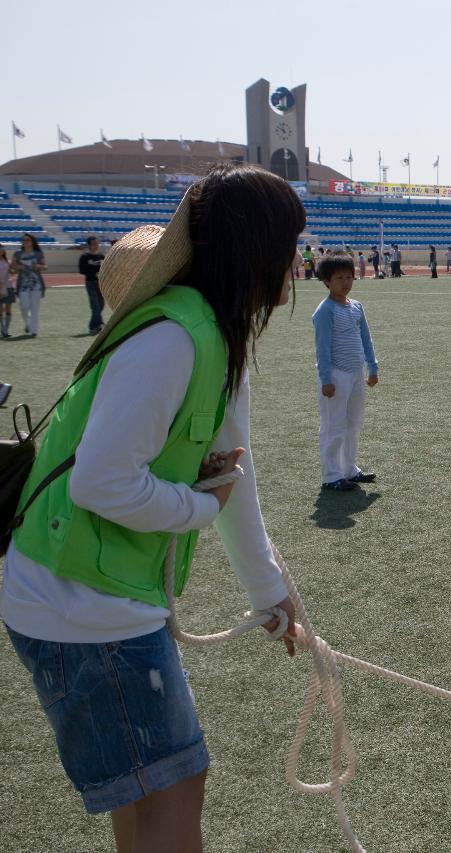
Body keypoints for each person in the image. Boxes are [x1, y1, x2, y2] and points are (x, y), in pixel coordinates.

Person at [3, 164, 304, 853]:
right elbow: (103, 483)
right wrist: (197, 506)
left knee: (149, 789)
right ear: (257, 247)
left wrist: (269, 590)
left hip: (84, 592)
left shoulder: (211, 335)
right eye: (290, 242)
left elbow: (233, 474)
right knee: (173, 785)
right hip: (81, 601)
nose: (299, 261)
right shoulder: (175, 338)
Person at [313, 251, 380, 491]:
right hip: (336, 376)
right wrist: (326, 379)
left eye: (349, 277)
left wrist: (372, 367)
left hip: (355, 374)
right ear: (327, 282)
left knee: (353, 423)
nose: (345, 282)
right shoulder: (324, 311)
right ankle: (331, 476)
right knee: (333, 425)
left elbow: (366, 339)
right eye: (339, 278)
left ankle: (349, 469)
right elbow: (322, 347)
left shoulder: (357, 307)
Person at [13, 233, 47, 337]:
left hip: (36, 284)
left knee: (35, 308)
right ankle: (27, 323)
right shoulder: (18, 253)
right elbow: (12, 267)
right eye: (24, 240)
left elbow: (45, 266)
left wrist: (39, 266)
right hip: (22, 285)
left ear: (32, 241)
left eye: (28, 240)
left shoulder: (38, 253)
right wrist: (18, 267)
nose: (25, 242)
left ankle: (34, 331)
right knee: (24, 306)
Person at [79, 236, 106, 334]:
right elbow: (82, 270)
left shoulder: (101, 256)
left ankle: (96, 324)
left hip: (100, 284)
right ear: (89, 245)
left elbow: (106, 268)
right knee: (95, 306)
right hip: (90, 283)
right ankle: (95, 326)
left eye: (97, 243)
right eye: (93, 244)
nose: (96, 246)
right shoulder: (84, 257)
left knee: (101, 305)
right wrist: (93, 274)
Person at [0, 247, 13, 338]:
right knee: (0, 309)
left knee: (8, 308)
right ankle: (2, 330)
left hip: (8, 286)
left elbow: (12, 272)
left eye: (1, 248)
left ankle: (5, 330)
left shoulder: (8, 261)